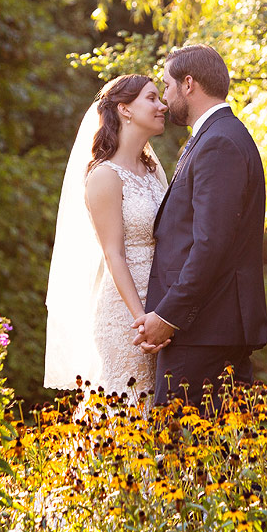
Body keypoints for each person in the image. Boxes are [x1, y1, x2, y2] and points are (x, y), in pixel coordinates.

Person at [133, 44, 267, 410]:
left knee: (179, 455)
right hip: (214, 329)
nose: (165, 97)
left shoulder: (219, 142)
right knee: (218, 459)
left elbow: (210, 245)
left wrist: (168, 316)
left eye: (168, 86)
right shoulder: (218, 136)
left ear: (188, 84)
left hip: (204, 332)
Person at [43, 75, 169, 404]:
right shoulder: (104, 176)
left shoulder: (154, 171)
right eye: (152, 98)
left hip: (161, 309)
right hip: (127, 317)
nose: (163, 106)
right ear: (125, 109)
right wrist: (141, 320)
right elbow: (114, 255)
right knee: (128, 417)